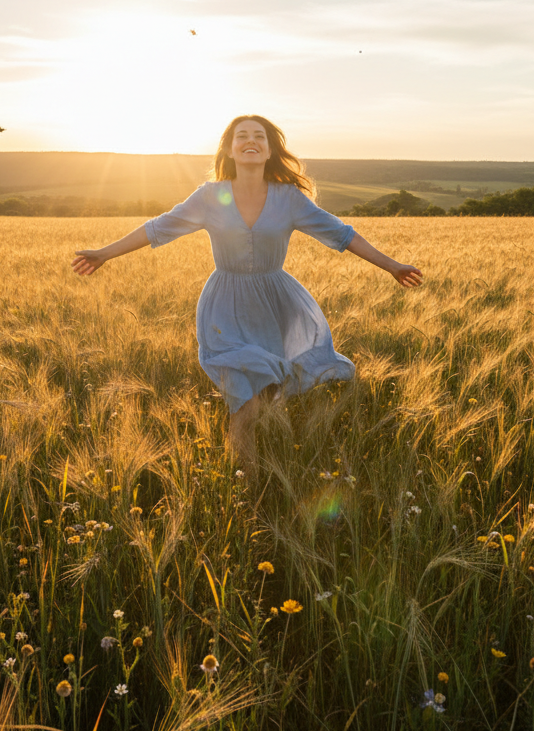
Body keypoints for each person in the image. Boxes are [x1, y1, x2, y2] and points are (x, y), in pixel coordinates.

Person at [72, 116, 423, 470]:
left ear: (270, 150)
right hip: (225, 307)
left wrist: (392, 265)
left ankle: (266, 470)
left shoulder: (289, 199)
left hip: (276, 304)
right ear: (229, 148)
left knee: (269, 393)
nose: (250, 141)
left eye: (260, 136)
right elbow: (157, 228)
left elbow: (343, 235)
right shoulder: (211, 196)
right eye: (242, 136)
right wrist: (104, 253)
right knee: (245, 399)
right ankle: (246, 486)